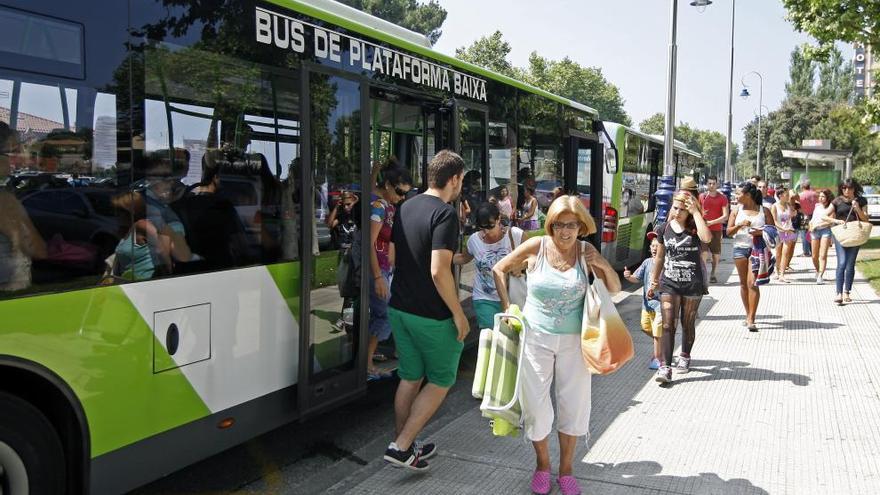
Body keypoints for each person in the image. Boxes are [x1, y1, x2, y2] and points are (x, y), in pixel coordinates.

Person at [493, 195, 619, 495]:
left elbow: (614, 288)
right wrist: (510, 307)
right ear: (550, 225)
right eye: (559, 225)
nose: (565, 232)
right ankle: (542, 465)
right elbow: (499, 269)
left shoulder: (586, 251)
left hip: (576, 342)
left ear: (581, 226)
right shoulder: (536, 246)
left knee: (573, 407)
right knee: (536, 407)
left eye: (572, 225)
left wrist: (601, 263)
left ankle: (566, 470)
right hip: (535, 339)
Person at [383, 150, 467, 471]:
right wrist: (458, 313)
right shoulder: (446, 214)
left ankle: (402, 443)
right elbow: (437, 270)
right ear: (455, 178)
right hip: (432, 316)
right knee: (441, 380)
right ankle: (403, 445)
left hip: (400, 308)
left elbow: (396, 255)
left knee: (410, 377)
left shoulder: (405, 206)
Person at [650, 191, 712, 383]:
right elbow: (660, 257)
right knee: (668, 324)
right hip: (669, 283)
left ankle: (685, 355)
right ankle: (665, 367)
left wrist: (695, 213)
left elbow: (707, 238)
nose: (677, 212)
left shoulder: (695, 228)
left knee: (687, 322)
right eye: (675, 207)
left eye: (682, 209)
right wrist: (654, 280)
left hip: (692, 283)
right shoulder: (664, 228)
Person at [452, 202, 525, 330]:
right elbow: (464, 258)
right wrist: (440, 257)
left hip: (513, 297)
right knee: (492, 338)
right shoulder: (474, 240)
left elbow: (537, 257)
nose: (487, 231)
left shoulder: (515, 235)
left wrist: (522, 266)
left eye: (490, 226)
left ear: (498, 219)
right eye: (482, 227)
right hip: (484, 298)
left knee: (514, 339)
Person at [0, 122, 47, 291]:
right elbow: (38, 250)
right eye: (13, 150)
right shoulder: (4, 201)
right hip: (9, 288)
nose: (20, 155)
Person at [368, 161, 404, 378]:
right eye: (399, 191)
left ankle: (379, 352)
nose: (401, 197)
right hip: (378, 268)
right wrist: (378, 277)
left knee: (388, 311)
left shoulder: (388, 203)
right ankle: (367, 361)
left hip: (386, 268)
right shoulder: (380, 206)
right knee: (386, 315)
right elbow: (370, 243)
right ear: (389, 185)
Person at [726, 182, 767, 332]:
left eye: (738, 194)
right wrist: (740, 225)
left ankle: (751, 319)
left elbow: (772, 230)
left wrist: (759, 232)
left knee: (752, 283)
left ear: (748, 195)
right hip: (740, 249)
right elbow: (728, 233)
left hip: (757, 249)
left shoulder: (764, 210)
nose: (736, 197)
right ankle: (747, 312)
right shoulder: (736, 211)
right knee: (743, 284)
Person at [623, 232, 663, 370]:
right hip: (647, 305)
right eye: (652, 246)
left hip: (661, 305)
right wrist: (628, 277)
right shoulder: (647, 262)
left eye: (657, 246)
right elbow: (636, 278)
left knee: (657, 333)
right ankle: (661, 342)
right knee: (646, 327)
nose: (654, 248)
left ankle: (657, 358)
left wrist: (658, 286)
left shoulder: (666, 263)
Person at [827, 178, 868, 305]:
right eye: (844, 188)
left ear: (854, 188)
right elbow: (825, 215)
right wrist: (836, 221)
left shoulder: (861, 201)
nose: (846, 190)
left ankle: (847, 292)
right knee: (842, 262)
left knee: (850, 264)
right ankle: (838, 293)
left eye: (849, 188)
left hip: (855, 234)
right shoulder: (837, 201)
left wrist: (857, 209)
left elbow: (866, 219)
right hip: (841, 235)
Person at [699, 175, 729, 283]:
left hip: (716, 230)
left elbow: (725, 216)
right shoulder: (702, 197)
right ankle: (703, 274)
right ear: (707, 184)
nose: (711, 186)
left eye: (713, 183)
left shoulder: (722, 198)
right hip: (703, 229)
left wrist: (711, 222)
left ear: (717, 184)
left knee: (715, 254)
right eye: (709, 183)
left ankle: (713, 273)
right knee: (703, 253)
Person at [809, 189, 835, 284]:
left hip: (825, 231)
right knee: (814, 256)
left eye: (823, 196)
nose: (820, 198)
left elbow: (830, 221)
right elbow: (813, 219)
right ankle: (818, 270)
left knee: (823, 255)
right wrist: (811, 225)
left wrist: (817, 225)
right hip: (814, 231)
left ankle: (820, 275)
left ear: (827, 197)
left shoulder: (831, 207)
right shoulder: (817, 206)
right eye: (819, 196)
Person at [771, 186, 796, 283]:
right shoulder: (774, 206)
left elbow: (791, 217)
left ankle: (782, 274)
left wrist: (793, 213)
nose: (788, 196)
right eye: (786, 194)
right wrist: (783, 228)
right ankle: (776, 271)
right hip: (778, 231)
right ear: (780, 195)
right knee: (778, 253)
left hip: (788, 231)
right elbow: (774, 221)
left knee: (786, 253)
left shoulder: (789, 205)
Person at [795, 180, 817, 257]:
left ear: (802, 187)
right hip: (814, 216)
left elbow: (797, 205)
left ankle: (806, 252)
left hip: (804, 216)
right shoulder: (815, 194)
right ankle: (813, 250)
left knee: (804, 234)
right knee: (813, 233)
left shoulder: (801, 195)